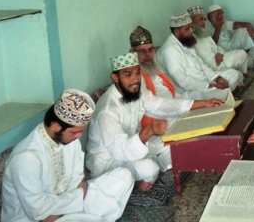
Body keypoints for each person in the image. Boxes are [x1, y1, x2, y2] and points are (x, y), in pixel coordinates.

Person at [86, 53, 223, 192]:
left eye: (137, 73)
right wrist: (149, 131)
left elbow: (160, 105)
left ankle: (161, 169)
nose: (135, 79)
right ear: (115, 78)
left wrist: (202, 103)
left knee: (177, 141)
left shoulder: (135, 90)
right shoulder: (107, 111)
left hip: (133, 146)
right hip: (109, 162)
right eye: (128, 75)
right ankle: (137, 182)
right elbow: (120, 151)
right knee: (149, 169)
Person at [1, 90, 134, 222]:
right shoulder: (27, 158)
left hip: (66, 205)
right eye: (75, 132)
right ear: (55, 126)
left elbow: (78, 181)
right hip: (31, 218)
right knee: (95, 205)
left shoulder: (70, 140)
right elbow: (37, 211)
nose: (79, 136)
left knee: (124, 176)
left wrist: (69, 205)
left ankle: (90, 215)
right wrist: (78, 197)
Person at [158, 12, 235, 99]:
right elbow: (183, 82)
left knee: (234, 77)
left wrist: (218, 79)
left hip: (203, 81)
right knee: (224, 93)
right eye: (187, 28)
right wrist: (212, 86)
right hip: (187, 91)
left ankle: (225, 95)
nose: (191, 30)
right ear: (176, 32)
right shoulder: (170, 50)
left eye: (191, 27)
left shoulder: (186, 42)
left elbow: (202, 65)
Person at [129, 25, 180, 131]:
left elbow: (172, 94)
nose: (148, 54)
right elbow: (152, 106)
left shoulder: (154, 68)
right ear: (132, 53)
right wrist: (185, 106)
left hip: (172, 113)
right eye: (142, 51)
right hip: (155, 125)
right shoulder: (134, 79)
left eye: (150, 50)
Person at [188, 5, 251, 78]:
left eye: (204, 19)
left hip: (220, 57)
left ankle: (238, 71)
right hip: (212, 65)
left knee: (244, 56)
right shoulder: (190, 38)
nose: (203, 22)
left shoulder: (202, 32)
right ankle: (234, 71)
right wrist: (218, 27)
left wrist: (220, 53)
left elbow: (214, 46)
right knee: (238, 72)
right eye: (201, 19)